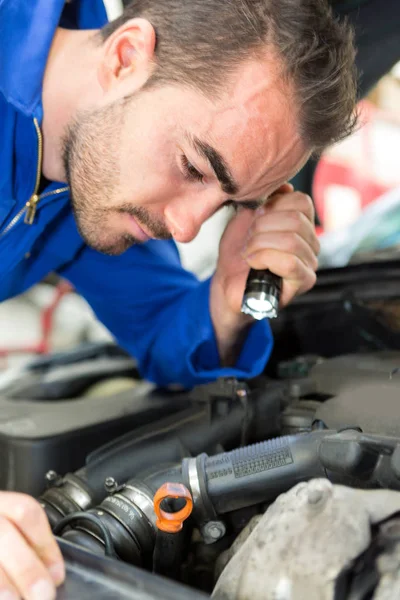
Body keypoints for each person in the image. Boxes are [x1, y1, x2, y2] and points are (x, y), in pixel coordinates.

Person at [0, 0, 358, 597]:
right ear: (124, 57)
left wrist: (226, 297)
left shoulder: (90, 174)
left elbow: (166, 331)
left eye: (225, 201)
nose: (188, 228)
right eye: (193, 166)